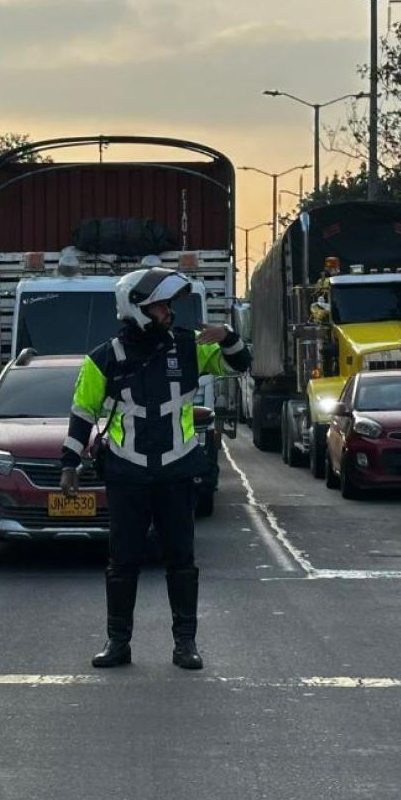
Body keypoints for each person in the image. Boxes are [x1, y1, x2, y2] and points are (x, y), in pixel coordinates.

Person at [60, 267, 251, 670]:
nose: (169, 311)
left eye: (168, 304)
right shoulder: (104, 358)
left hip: (176, 471)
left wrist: (229, 337)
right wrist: (69, 464)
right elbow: (82, 413)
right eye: (161, 304)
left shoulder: (187, 347)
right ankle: (118, 643)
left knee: (181, 560)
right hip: (126, 474)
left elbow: (240, 365)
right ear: (138, 308)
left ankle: (186, 644)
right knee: (122, 561)